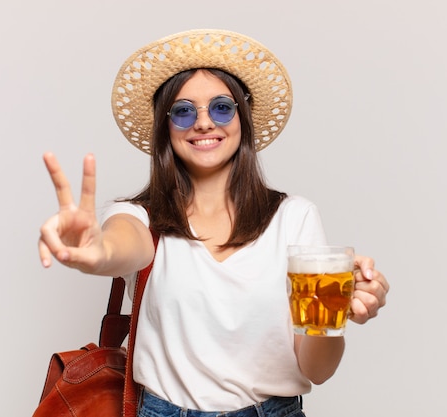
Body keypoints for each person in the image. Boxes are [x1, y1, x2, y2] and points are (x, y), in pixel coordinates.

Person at [38, 29, 389, 417]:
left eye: (221, 107)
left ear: (242, 116)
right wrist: (96, 250)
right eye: (184, 111)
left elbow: (316, 370)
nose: (204, 123)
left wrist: (335, 315)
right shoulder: (140, 217)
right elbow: (122, 247)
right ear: (166, 128)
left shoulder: (294, 217)